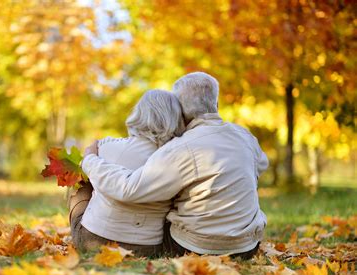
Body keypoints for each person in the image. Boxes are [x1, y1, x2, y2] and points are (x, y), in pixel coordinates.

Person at [82, 72, 268, 259]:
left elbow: (131, 189)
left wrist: (90, 159)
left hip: (197, 247)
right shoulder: (244, 136)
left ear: (180, 111)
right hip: (247, 246)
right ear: (216, 105)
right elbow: (261, 165)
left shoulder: (179, 148)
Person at [69, 89, 185, 257]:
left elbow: (92, 159)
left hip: (95, 240)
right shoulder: (179, 158)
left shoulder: (107, 147)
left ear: (139, 114)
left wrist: (90, 155)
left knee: (82, 177)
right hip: (147, 247)